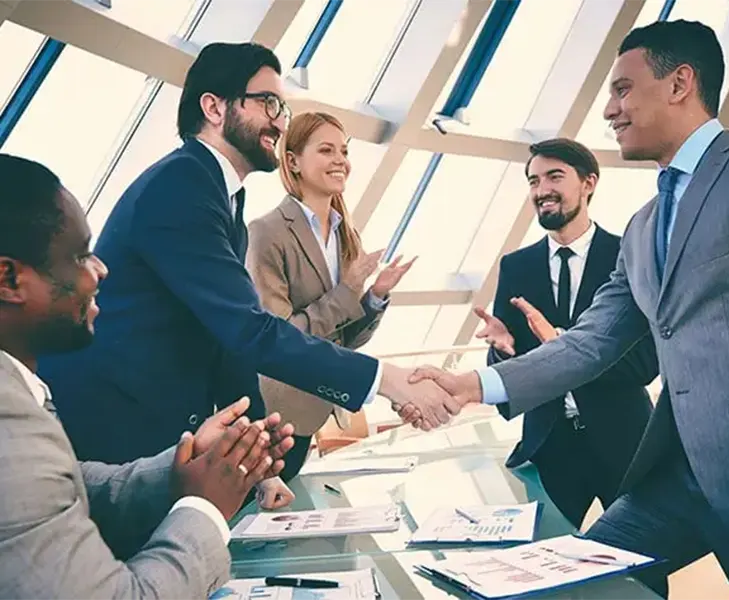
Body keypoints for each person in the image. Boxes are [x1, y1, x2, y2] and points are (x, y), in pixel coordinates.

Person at [410, 20, 729, 599]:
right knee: (556, 580)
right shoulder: (643, 229)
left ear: (679, 83)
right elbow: (589, 341)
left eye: (622, 90)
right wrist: (472, 385)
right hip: (677, 481)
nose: (610, 111)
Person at [37, 42, 456, 474]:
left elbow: (228, 341)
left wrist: (260, 464)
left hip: (148, 423)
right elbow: (249, 330)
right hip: (113, 425)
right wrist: (385, 381)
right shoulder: (182, 186)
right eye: (268, 103)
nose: (279, 121)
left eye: (282, 108)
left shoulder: (222, 199)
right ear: (214, 108)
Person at [0, 153, 294, 598]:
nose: (100, 270)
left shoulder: (20, 397)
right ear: (8, 278)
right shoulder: (10, 427)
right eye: (80, 255)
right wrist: (204, 507)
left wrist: (180, 473)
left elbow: (61, 491)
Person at [474, 137, 655, 529]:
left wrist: (562, 346)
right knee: (540, 565)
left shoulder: (629, 255)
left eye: (554, 176)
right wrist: (503, 352)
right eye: (533, 181)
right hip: (549, 444)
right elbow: (517, 363)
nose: (542, 190)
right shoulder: (516, 267)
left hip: (624, 440)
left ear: (589, 183)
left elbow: (646, 364)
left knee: (645, 570)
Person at [246, 112, 415, 480]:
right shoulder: (267, 232)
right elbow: (277, 337)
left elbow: (344, 339)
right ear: (292, 161)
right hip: (275, 419)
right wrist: (347, 292)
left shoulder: (344, 234)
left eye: (344, 151)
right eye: (326, 150)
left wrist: (374, 298)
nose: (341, 160)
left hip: (318, 409)